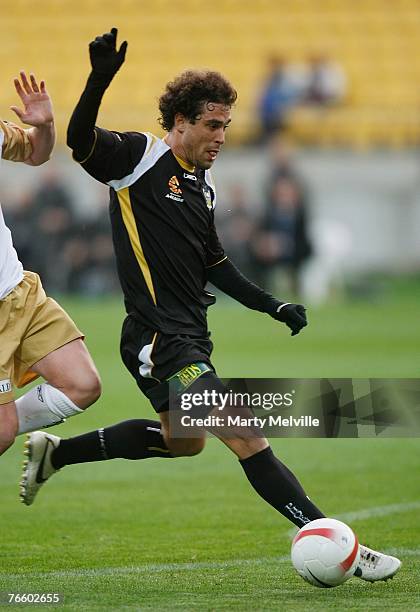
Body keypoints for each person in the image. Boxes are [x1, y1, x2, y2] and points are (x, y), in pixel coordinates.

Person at [20, 30, 400, 583]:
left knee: (185, 443)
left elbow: (215, 265)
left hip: (188, 335)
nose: (221, 136)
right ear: (179, 122)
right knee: (247, 433)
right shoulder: (139, 159)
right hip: (158, 338)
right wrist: (100, 76)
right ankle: (335, 541)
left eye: (225, 125)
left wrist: (274, 306)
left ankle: (55, 453)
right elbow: (79, 140)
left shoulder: (204, 186)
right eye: (211, 125)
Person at [0, 72, 101, 460]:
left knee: (82, 384)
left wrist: (45, 126)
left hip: (19, 291)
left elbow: (36, 153)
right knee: (3, 431)